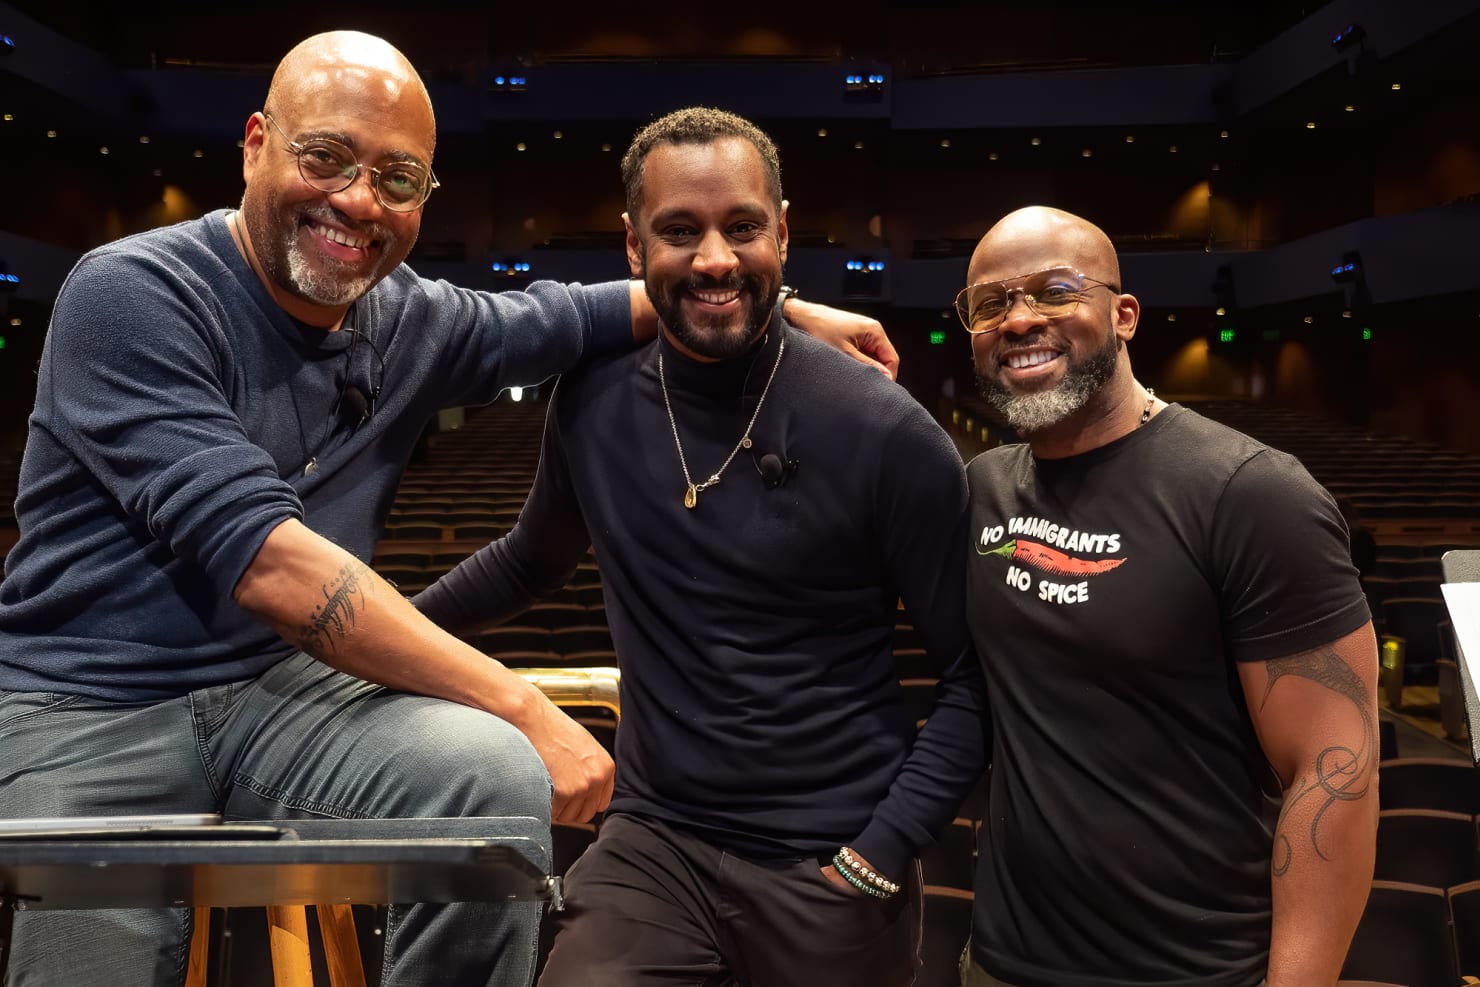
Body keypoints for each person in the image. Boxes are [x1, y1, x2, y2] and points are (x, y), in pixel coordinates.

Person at [0, 32, 895, 987]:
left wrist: (778, 309)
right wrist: (519, 700)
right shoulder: (131, 291)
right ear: (256, 143)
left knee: (492, 780)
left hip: (279, 693)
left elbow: (580, 312)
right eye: (326, 158)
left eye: (397, 178)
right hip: (85, 705)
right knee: (88, 966)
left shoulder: (410, 318)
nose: (357, 201)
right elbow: (270, 564)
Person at [414, 107, 990, 987]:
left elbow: (971, 677)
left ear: (784, 235)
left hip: (830, 861)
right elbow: (529, 560)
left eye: (743, 227)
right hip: (657, 843)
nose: (715, 257)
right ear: (635, 249)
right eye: (681, 230)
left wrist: (881, 852)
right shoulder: (592, 397)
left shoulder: (887, 431)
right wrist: (372, 634)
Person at [956, 206, 1378, 987]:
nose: (1018, 320)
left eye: (1054, 291)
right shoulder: (985, 490)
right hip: (1001, 963)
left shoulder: (1250, 493)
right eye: (990, 303)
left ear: (1124, 316)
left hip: (1195, 970)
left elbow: (1334, 769)